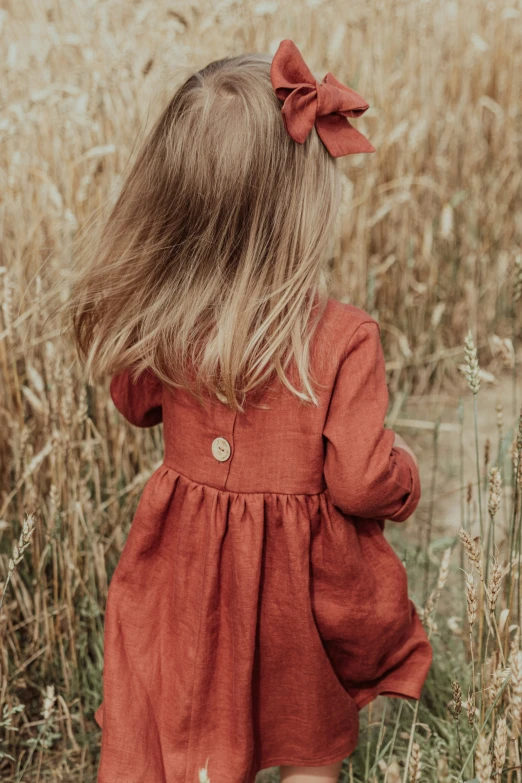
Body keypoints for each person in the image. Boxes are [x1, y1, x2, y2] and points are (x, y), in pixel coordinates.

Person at [68, 38, 432, 783]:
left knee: (189, 729)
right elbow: (362, 481)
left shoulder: (165, 326)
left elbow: (135, 404)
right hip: (297, 598)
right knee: (308, 746)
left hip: (184, 578)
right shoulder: (342, 337)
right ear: (304, 208)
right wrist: (407, 477)